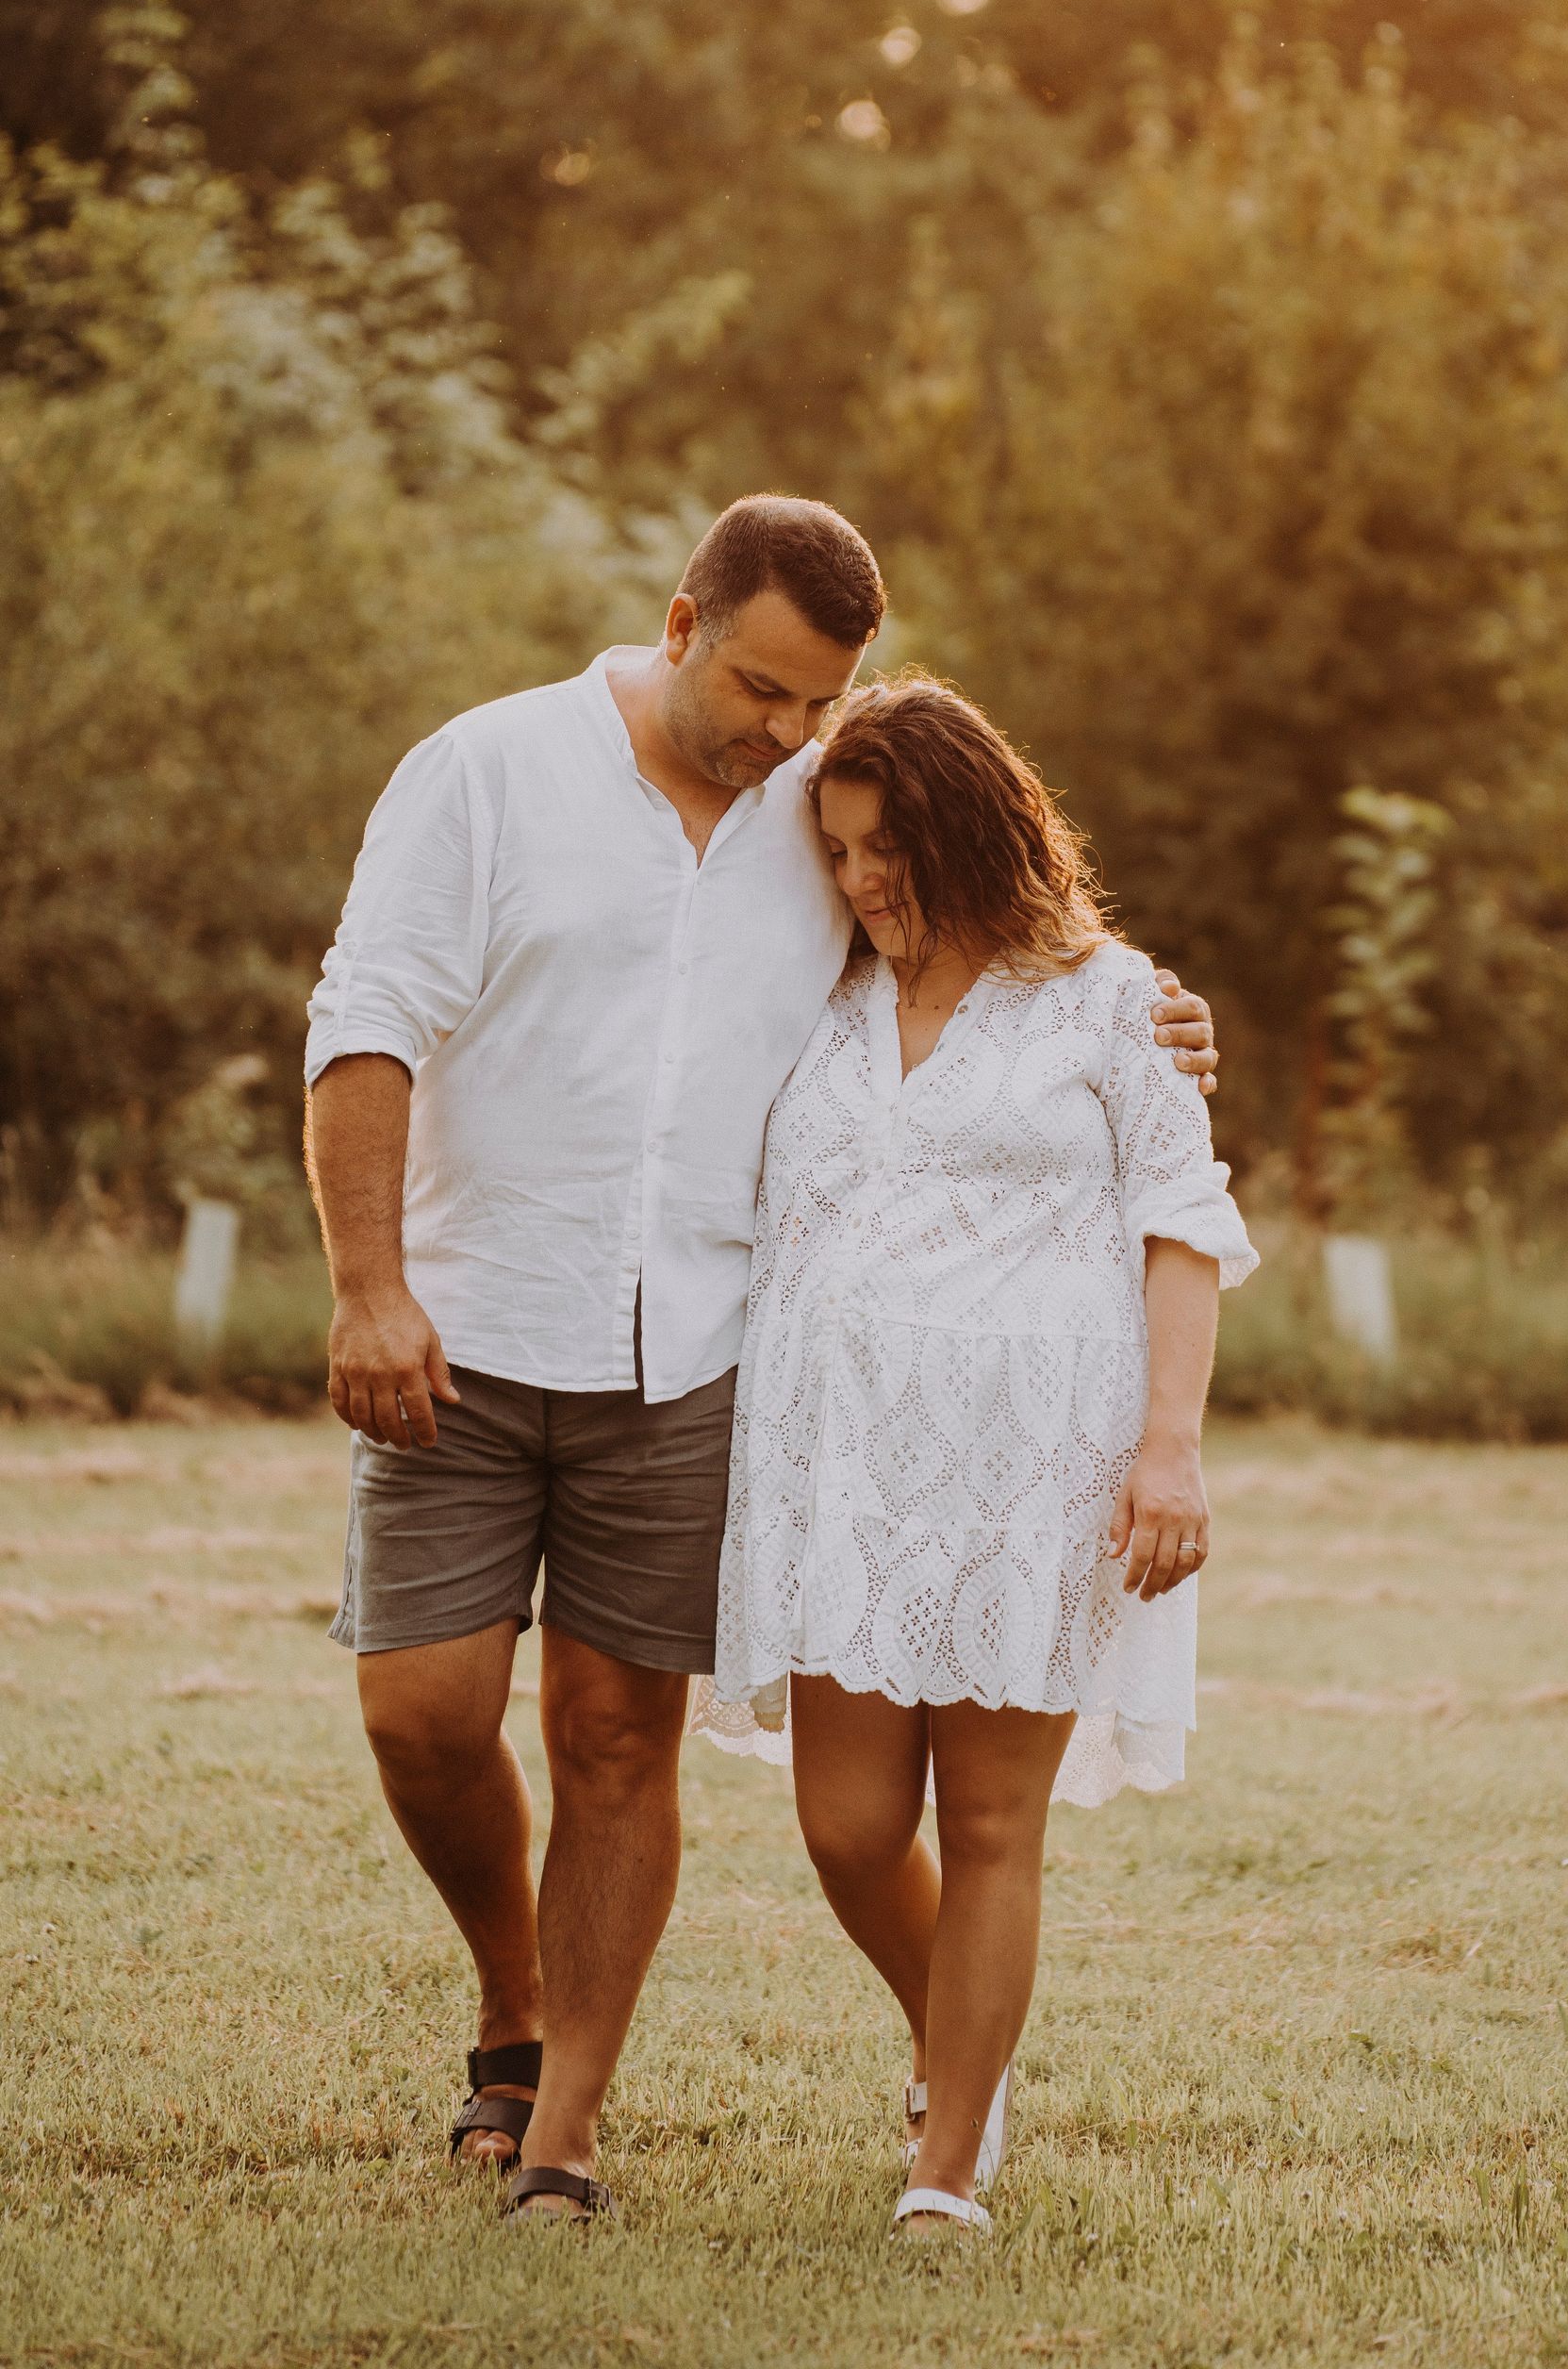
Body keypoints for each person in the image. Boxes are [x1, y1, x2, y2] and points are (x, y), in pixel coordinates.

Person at [301, 496, 1221, 2223]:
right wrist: (367, 1285)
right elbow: (366, 1017)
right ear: (680, 622)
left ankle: (567, 2130)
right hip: (473, 1322)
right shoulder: (487, 772)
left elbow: (996, 921)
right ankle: (512, 2000)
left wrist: (1160, 1017)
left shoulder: (822, 802)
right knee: (424, 1719)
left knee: (616, 1735)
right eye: (761, 691)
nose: (786, 737)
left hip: (692, 1356)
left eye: (817, 705)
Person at [696, 675, 1256, 2234]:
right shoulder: (817, 999)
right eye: (841, 851)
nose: (864, 880)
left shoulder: (1111, 1001)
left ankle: (946, 2168)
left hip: (1036, 1473)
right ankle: (969, 2051)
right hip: (845, 1474)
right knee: (849, 1827)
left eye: (888, 847)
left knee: (992, 1823)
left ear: (966, 829)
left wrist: (1171, 1449)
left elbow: (1181, 1220)